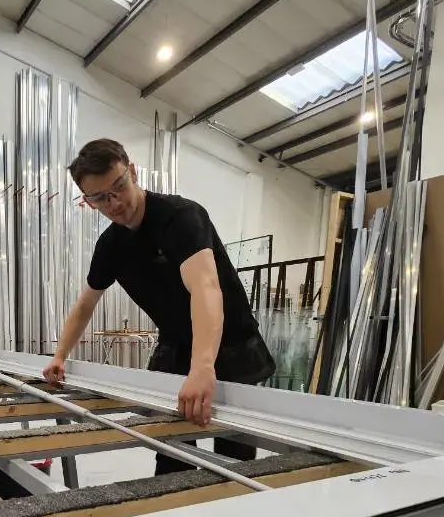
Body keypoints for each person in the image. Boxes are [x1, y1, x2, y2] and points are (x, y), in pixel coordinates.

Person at [43, 138, 275, 476]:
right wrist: (60, 356)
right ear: (88, 202)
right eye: (100, 198)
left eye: (118, 187)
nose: (114, 202)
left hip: (230, 342)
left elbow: (206, 289)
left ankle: (233, 503)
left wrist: (202, 367)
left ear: (133, 173)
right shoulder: (111, 246)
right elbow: (85, 304)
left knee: (234, 453)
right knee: (170, 447)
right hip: (176, 344)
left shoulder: (180, 217)